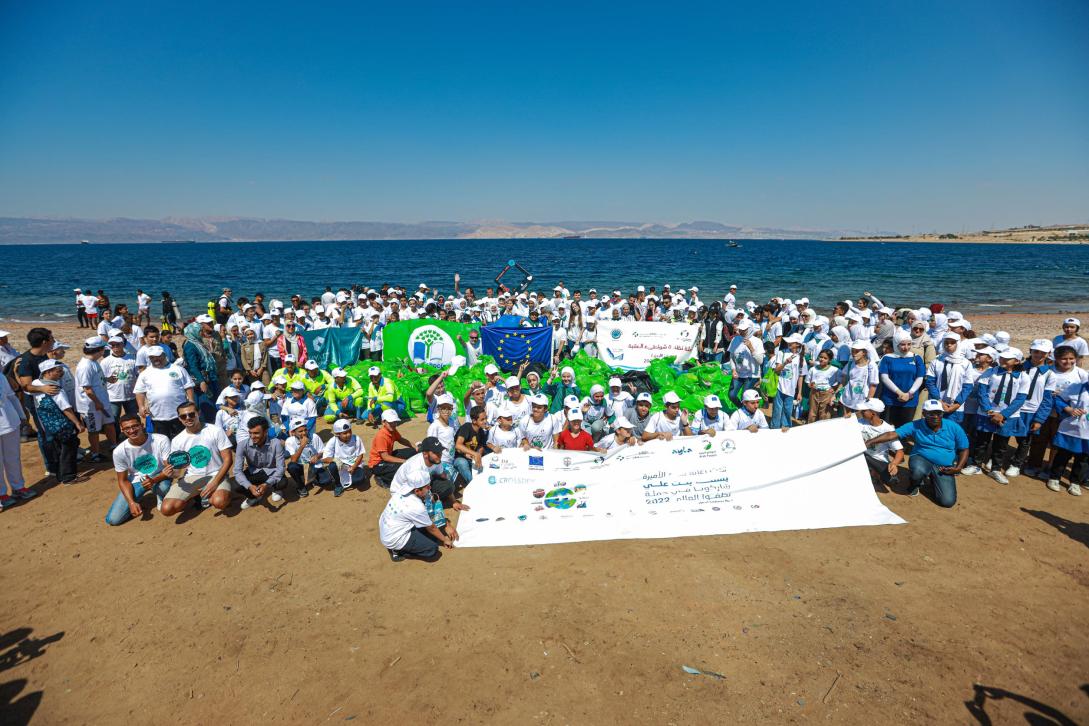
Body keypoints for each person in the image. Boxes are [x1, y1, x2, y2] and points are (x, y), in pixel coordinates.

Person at [864, 399, 969, 507]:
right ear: (924, 414)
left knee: (947, 502)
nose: (935, 416)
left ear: (942, 413)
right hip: (921, 458)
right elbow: (891, 435)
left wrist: (958, 468)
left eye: (939, 413)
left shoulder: (954, 427)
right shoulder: (915, 425)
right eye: (931, 413)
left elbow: (964, 449)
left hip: (943, 466)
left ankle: (935, 480)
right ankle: (915, 484)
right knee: (918, 471)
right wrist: (869, 442)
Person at [161, 401, 235, 515]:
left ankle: (212, 495)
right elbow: (177, 473)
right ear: (179, 419)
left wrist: (215, 482)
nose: (188, 418)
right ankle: (197, 496)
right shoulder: (177, 440)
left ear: (198, 413)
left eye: (191, 414)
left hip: (216, 474)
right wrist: (171, 473)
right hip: (193, 477)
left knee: (220, 502)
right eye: (183, 416)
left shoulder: (215, 430)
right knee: (167, 509)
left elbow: (228, 459)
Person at [104, 415, 173, 526]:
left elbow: (169, 468)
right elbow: (123, 480)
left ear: (142, 426)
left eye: (135, 426)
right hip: (137, 481)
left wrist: (154, 480)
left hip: (159, 475)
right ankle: (136, 500)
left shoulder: (160, 439)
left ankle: (159, 495)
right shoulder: (119, 451)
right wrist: (131, 502)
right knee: (113, 520)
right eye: (127, 428)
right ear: (122, 430)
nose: (132, 430)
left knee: (164, 488)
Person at [379, 468, 455, 562]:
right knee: (432, 549)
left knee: (431, 535)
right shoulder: (416, 506)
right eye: (427, 487)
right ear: (416, 491)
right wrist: (444, 539)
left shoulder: (400, 491)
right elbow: (431, 527)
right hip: (396, 538)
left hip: (389, 529)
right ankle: (397, 551)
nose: (429, 488)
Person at [30, 359, 84, 484]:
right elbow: (66, 409)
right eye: (58, 371)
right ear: (47, 372)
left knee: (58, 450)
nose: (61, 373)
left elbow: (27, 388)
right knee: (69, 449)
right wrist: (77, 423)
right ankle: (68, 476)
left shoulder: (37, 384)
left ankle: (60, 474)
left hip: (48, 426)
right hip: (63, 425)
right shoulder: (55, 390)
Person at [133, 346, 195, 437]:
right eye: (152, 357)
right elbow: (139, 391)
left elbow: (188, 386)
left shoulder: (178, 369)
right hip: (157, 416)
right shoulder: (144, 374)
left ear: (164, 355)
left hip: (180, 415)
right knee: (161, 440)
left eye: (157, 356)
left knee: (183, 438)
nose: (155, 359)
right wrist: (141, 406)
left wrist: (191, 400)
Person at [75, 336, 117, 462]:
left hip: (102, 401)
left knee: (109, 423)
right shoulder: (85, 366)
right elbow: (87, 389)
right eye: (103, 349)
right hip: (91, 405)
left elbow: (95, 380)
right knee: (94, 430)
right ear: (99, 350)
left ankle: (114, 445)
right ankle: (95, 454)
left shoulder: (93, 363)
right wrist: (98, 403)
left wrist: (107, 379)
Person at [0, 366, 36, 509]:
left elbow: (11, 397)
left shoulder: (1, 377)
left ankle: (18, 487)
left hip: (10, 422)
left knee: (13, 457)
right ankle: (1, 494)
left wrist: (22, 417)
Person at [1046, 378, 1089, 496]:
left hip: (1088, 433)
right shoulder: (1077, 386)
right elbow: (1059, 399)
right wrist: (1069, 409)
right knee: (1064, 454)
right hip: (1072, 428)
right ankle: (1054, 477)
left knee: (1084, 458)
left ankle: (1075, 482)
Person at [234, 416, 287, 507]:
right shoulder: (242, 445)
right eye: (250, 433)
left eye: (256, 433)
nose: (252, 436)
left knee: (282, 482)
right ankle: (253, 496)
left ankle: (274, 489)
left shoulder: (276, 443)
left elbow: (281, 468)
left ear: (266, 432)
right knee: (236, 485)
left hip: (271, 471)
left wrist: (266, 484)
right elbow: (237, 471)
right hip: (254, 472)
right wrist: (249, 486)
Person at [878, 330, 926, 427]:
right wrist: (899, 393)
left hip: (909, 400)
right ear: (896, 344)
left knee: (904, 428)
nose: (906, 347)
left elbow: (920, 377)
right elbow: (884, 378)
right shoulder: (887, 358)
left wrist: (909, 393)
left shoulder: (916, 358)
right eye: (903, 344)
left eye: (909, 344)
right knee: (887, 427)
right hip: (890, 399)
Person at [183, 316, 226, 422]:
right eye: (200, 331)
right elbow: (193, 366)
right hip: (203, 380)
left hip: (210, 377)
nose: (202, 333)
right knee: (207, 406)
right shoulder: (190, 345)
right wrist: (201, 381)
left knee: (215, 401)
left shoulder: (198, 343)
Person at [857, 398, 904, 489]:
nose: (861, 412)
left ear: (873, 413)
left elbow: (900, 451)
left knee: (891, 480)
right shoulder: (860, 422)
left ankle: (873, 470)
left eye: (864, 410)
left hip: (878, 459)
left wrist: (894, 463)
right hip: (861, 455)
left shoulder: (888, 429)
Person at [368, 409, 415, 488]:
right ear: (383, 422)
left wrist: (414, 446)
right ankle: (381, 477)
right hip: (377, 464)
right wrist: (404, 461)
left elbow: (401, 439)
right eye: (391, 423)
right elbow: (385, 457)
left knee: (413, 452)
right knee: (402, 468)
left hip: (388, 455)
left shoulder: (393, 430)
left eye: (395, 422)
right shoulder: (381, 436)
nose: (394, 424)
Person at [321, 419, 368, 496]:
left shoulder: (356, 438)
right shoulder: (333, 441)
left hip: (354, 465)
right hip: (341, 466)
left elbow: (360, 455)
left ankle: (356, 476)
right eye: (345, 433)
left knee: (359, 480)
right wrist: (334, 459)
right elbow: (325, 458)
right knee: (332, 466)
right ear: (337, 434)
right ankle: (338, 485)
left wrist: (353, 467)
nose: (348, 434)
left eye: (350, 431)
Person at [101, 335, 138, 431]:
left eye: (117, 344)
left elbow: (138, 376)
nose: (115, 347)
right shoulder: (105, 361)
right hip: (113, 397)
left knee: (133, 418)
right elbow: (100, 379)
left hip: (131, 396)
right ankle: (116, 439)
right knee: (114, 419)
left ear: (123, 345)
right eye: (112, 345)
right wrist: (107, 379)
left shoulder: (132, 358)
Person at [770, 334, 807, 428]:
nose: (789, 343)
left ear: (798, 344)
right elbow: (777, 369)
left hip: (791, 390)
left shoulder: (801, 358)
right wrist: (785, 363)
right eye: (789, 341)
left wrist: (799, 393)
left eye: (792, 342)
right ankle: (775, 428)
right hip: (779, 387)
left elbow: (801, 376)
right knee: (777, 410)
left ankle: (786, 428)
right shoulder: (781, 353)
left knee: (788, 410)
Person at [728, 320, 763, 406]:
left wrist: (751, 348)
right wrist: (733, 369)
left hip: (751, 375)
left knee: (746, 397)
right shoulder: (735, 339)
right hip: (739, 373)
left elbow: (760, 361)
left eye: (744, 330)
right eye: (740, 329)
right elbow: (732, 357)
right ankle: (742, 409)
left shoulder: (757, 341)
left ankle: (745, 413)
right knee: (731, 395)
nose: (742, 332)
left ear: (750, 329)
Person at [284, 417, 321, 497]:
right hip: (301, 466)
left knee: (326, 481)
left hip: (314, 465)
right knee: (291, 466)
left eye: (305, 430)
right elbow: (293, 460)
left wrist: (317, 456)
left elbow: (323, 451)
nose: (304, 433)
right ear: (293, 432)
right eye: (300, 431)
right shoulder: (290, 441)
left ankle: (312, 478)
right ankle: (301, 487)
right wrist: (302, 446)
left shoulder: (314, 436)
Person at [453, 405, 489, 485]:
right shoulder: (466, 427)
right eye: (482, 419)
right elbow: (458, 445)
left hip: (472, 458)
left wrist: (478, 454)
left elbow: (481, 446)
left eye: (486, 418)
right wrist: (475, 454)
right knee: (462, 463)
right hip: (459, 457)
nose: (485, 421)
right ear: (474, 421)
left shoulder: (481, 431)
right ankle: (473, 485)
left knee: (487, 459)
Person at [806, 349, 838, 422]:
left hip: (827, 394)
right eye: (821, 357)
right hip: (814, 393)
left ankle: (823, 432)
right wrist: (810, 385)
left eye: (825, 358)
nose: (822, 359)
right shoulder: (812, 369)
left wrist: (834, 389)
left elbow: (842, 379)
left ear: (830, 360)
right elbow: (808, 383)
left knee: (824, 415)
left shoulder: (834, 370)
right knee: (812, 414)